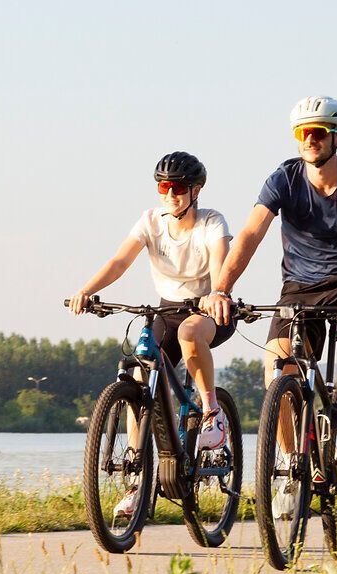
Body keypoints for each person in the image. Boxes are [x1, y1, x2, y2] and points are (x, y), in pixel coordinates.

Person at [203, 96, 337, 519]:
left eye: (318, 132)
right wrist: (221, 289)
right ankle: (290, 466)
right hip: (300, 287)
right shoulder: (284, 178)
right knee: (277, 364)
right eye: (302, 133)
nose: (309, 139)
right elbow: (250, 234)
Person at [68, 152, 235, 522]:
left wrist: (217, 292)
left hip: (210, 309)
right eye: (163, 187)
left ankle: (213, 413)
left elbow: (220, 261)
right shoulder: (150, 221)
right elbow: (119, 262)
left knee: (190, 333)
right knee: (140, 379)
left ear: (195, 190)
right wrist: (87, 291)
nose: (170, 194)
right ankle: (136, 482)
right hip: (167, 311)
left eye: (178, 187)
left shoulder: (211, 222)